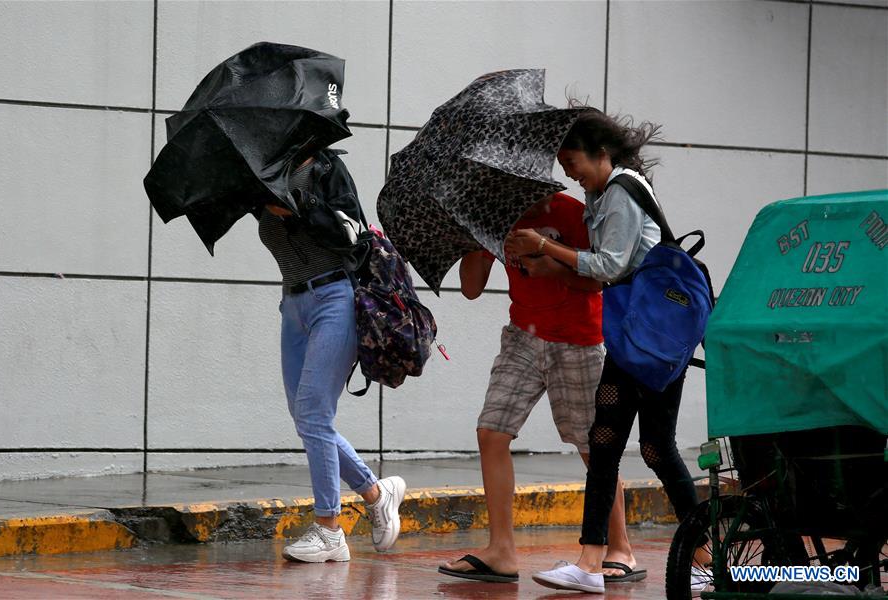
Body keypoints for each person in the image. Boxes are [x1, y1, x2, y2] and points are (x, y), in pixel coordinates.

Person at [505, 109, 705, 594]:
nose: (567, 171)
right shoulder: (602, 193)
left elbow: (611, 265)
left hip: (652, 337)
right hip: (632, 334)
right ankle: (589, 560)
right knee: (605, 442)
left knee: (658, 449)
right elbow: (603, 269)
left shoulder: (619, 191)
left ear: (601, 153)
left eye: (571, 160)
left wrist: (546, 249)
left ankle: (706, 554)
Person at [438, 191, 641, 585]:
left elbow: (600, 279)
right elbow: (471, 288)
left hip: (577, 339)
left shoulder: (570, 213)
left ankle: (620, 548)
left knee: (593, 446)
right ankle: (501, 550)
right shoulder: (490, 213)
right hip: (522, 336)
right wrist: (473, 242)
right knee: (491, 431)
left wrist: (549, 262)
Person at [257, 147, 406, 563]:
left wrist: (298, 209)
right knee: (306, 417)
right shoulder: (262, 174)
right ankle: (377, 493)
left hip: (334, 297)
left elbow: (352, 233)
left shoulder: (326, 168)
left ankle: (329, 529)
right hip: (293, 306)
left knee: (313, 414)